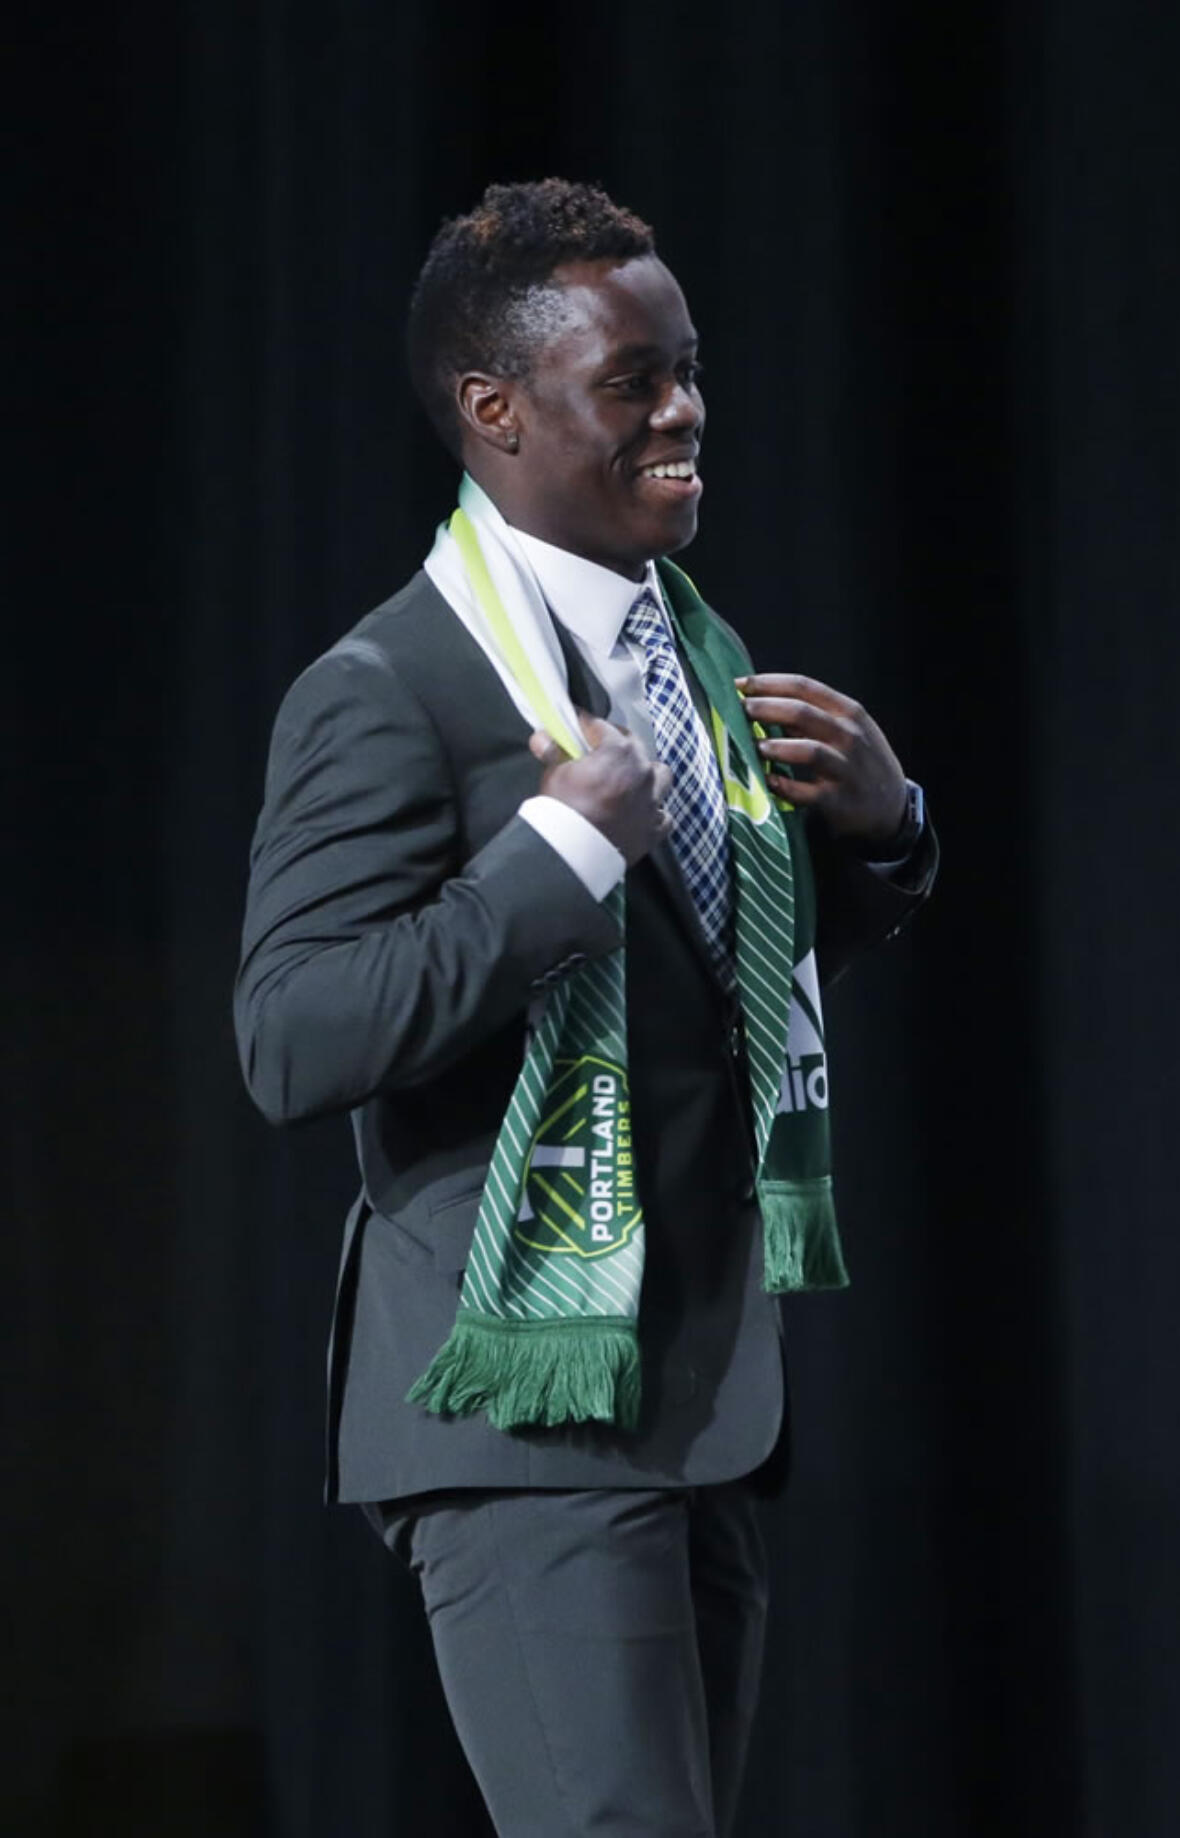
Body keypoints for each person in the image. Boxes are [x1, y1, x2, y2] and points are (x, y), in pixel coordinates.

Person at [235, 178, 936, 1838]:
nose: (685, 408)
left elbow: (712, 991)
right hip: (523, 1418)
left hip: (697, 1396)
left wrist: (889, 832)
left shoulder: (688, 654)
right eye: (634, 380)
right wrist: (550, 856)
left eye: (687, 368)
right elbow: (290, 1035)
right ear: (494, 410)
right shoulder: (386, 688)